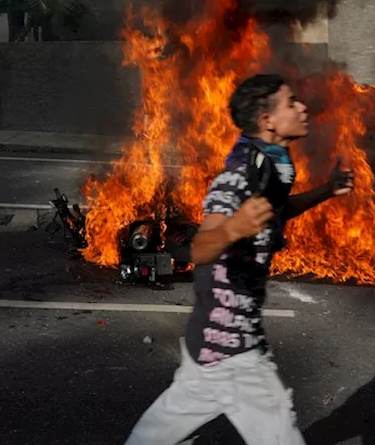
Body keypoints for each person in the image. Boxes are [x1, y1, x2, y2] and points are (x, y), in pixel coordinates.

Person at [124, 73, 354, 445]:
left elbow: (277, 210)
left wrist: (327, 190)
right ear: (268, 121)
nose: (302, 107)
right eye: (291, 102)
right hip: (232, 350)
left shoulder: (273, 165)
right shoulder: (239, 176)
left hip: (212, 342)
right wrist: (234, 228)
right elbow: (200, 249)